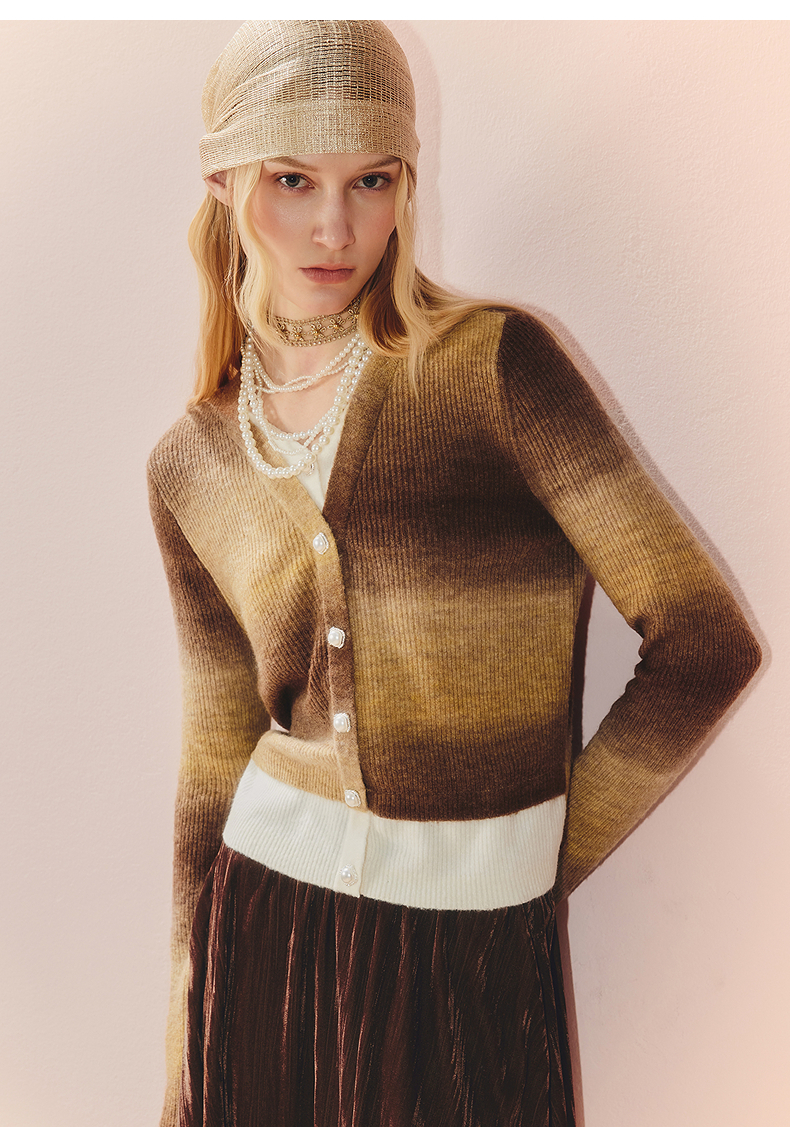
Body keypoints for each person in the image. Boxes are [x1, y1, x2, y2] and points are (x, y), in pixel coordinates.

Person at [148, 20, 761, 1127]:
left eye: (371, 179)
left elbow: (707, 640)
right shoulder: (193, 461)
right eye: (292, 179)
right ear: (224, 181)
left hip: (472, 952)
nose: (336, 227)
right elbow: (212, 758)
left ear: (406, 181)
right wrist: (186, 1019)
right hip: (266, 931)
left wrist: (535, 861)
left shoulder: (496, 369)